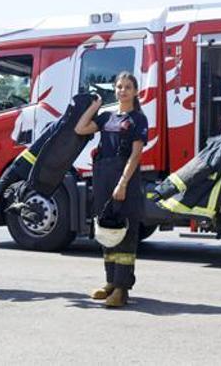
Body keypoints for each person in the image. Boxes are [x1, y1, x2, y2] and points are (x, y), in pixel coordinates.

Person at [75, 72, 148, 308]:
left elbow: (136, 155)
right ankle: (110, 282)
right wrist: (95, 105)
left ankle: (122, 288)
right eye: (119, 87)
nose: (122, 91)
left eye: (127, 87)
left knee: (125, 233)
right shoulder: (106, 116)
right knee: (107, 231)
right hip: (103, 177)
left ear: (135, 91)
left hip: (123, 178)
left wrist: (123, 183)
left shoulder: (138, 119)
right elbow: (80, 128)